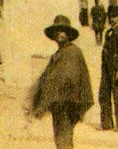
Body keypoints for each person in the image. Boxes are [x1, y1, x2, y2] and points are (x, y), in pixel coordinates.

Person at [28, 15, 93, 149]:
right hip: (59, 104)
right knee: (60, 139)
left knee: (63, 140)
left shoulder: (72, 53)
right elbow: (47, 78)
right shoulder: (59, 53)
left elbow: (68, 79)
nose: (59, 34)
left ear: (68, 34)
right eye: (56, 31)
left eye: (62, 31)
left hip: (66, 103)